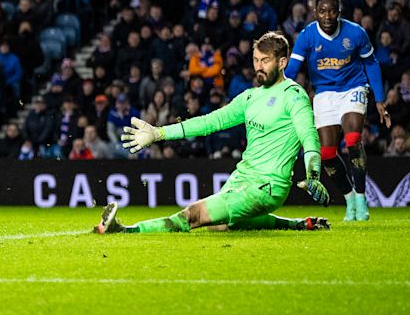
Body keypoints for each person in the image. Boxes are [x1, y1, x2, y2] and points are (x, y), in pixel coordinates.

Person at [95, 32, 330, 234]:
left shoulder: (293, 95)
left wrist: (313, 174)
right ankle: (297, 224)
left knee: (194, 215)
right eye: (256, 60)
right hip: (242, 178)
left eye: (265, 60)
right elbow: (210, 122)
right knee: (220, 226)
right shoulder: (251, 97)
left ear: (282, 62)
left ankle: (125, 230)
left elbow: (308, 136)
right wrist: (159, 133)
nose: (258, 66)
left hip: (267, 186)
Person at [283, 0, 388, 221]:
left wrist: (380, 99)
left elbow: (371, 63)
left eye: (332, 11)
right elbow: (291, 71)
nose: (327, 16)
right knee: (327, 153)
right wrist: (276, 87)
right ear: (315, 13)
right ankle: (349, 199)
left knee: (352, 139)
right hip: (324, 93)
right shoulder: (307, 36)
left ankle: (361, 198)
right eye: (322, 11)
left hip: (353, 87)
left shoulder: (355, 32)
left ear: (339, 13)